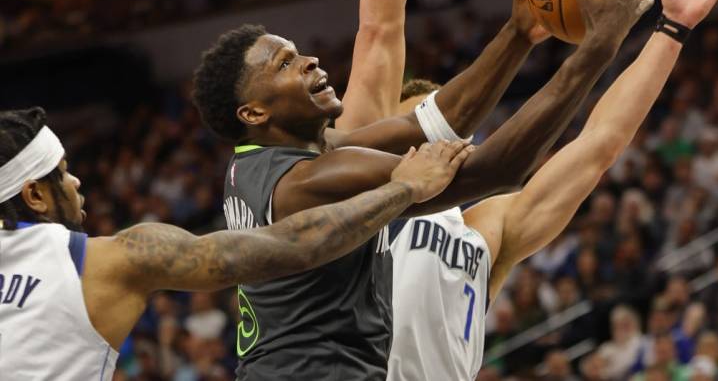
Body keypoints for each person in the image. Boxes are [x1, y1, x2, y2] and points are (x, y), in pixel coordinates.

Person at [192, 0, 655, 378]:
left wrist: (517, 34)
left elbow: (432, 121)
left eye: (298, 53)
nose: (309, 61)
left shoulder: (271, 158)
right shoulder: (304, 182)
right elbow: (496, 170)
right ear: (253, 111)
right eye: (285, 64)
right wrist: (598, 47)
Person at [333, 0, 718, 379]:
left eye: (459, 130)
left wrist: (673, 27)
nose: (447, 139)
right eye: (426, 123)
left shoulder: (488, 226)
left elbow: (599, 143)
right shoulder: (355, 186)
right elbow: (380, 29)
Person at [0, 107, 470, 380]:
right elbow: (294, 246)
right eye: (62, 173)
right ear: (35, 194)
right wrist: (403, 188)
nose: (77, 180)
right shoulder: (104, 261)